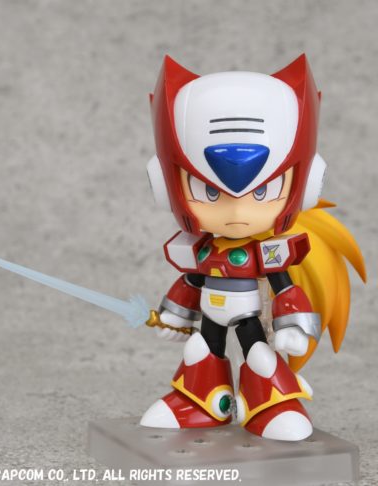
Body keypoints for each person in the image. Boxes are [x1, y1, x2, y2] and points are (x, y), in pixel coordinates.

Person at [141, 54, 366, 441]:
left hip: (249, 315)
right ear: (165, 186)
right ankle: (200, 402)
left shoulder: (270, 251)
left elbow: (284, 286)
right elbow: (192, 280)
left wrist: (292, 324)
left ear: (307, 185)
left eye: (262, 192)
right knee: (200, 350)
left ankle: (271, 404)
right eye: (209, 192)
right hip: (210, 314)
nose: (237, 212)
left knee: (260, 355)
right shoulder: (200, 248)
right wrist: (175, 315)